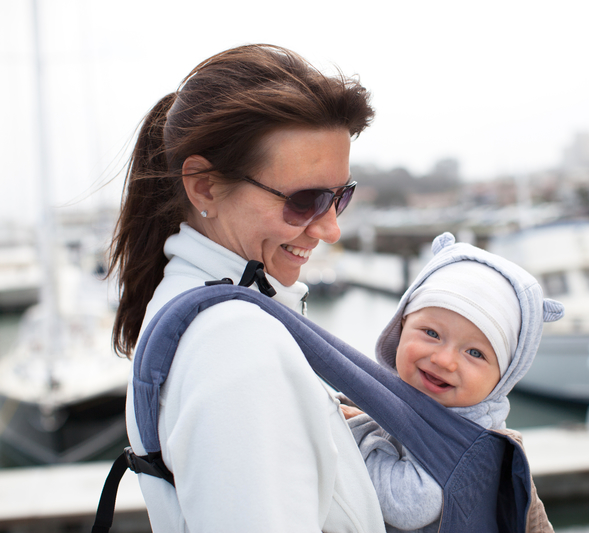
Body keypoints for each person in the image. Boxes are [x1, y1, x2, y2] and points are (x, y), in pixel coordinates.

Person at [109, 44, 387, 532]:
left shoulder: (195, 311)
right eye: (305, 200)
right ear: (203, 187)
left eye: (340, 197)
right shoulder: (235, 344)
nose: (330, 229)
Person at [343, 232, 565, 533]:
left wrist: (357, 430)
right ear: (402, 324)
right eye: (431, 334)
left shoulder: (466, 436)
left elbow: (409, 503)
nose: (445, 360)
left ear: (503, 378)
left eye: (475, 353)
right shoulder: (409, 404)